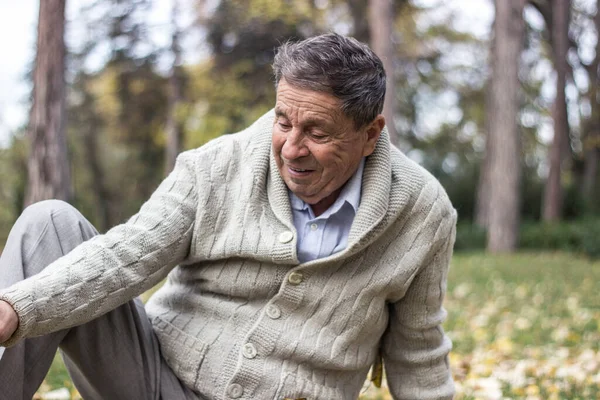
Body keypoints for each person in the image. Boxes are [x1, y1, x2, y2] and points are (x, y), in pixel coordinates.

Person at [0, 33, 457, 400]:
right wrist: (15, 307)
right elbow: (127, 255)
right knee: (50, 224)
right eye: (283, 122)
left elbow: (418, 349)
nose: (292, 148)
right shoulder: (215, 166)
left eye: (317, 131)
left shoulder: (422, 212)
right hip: (155, 381)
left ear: (370, 133)